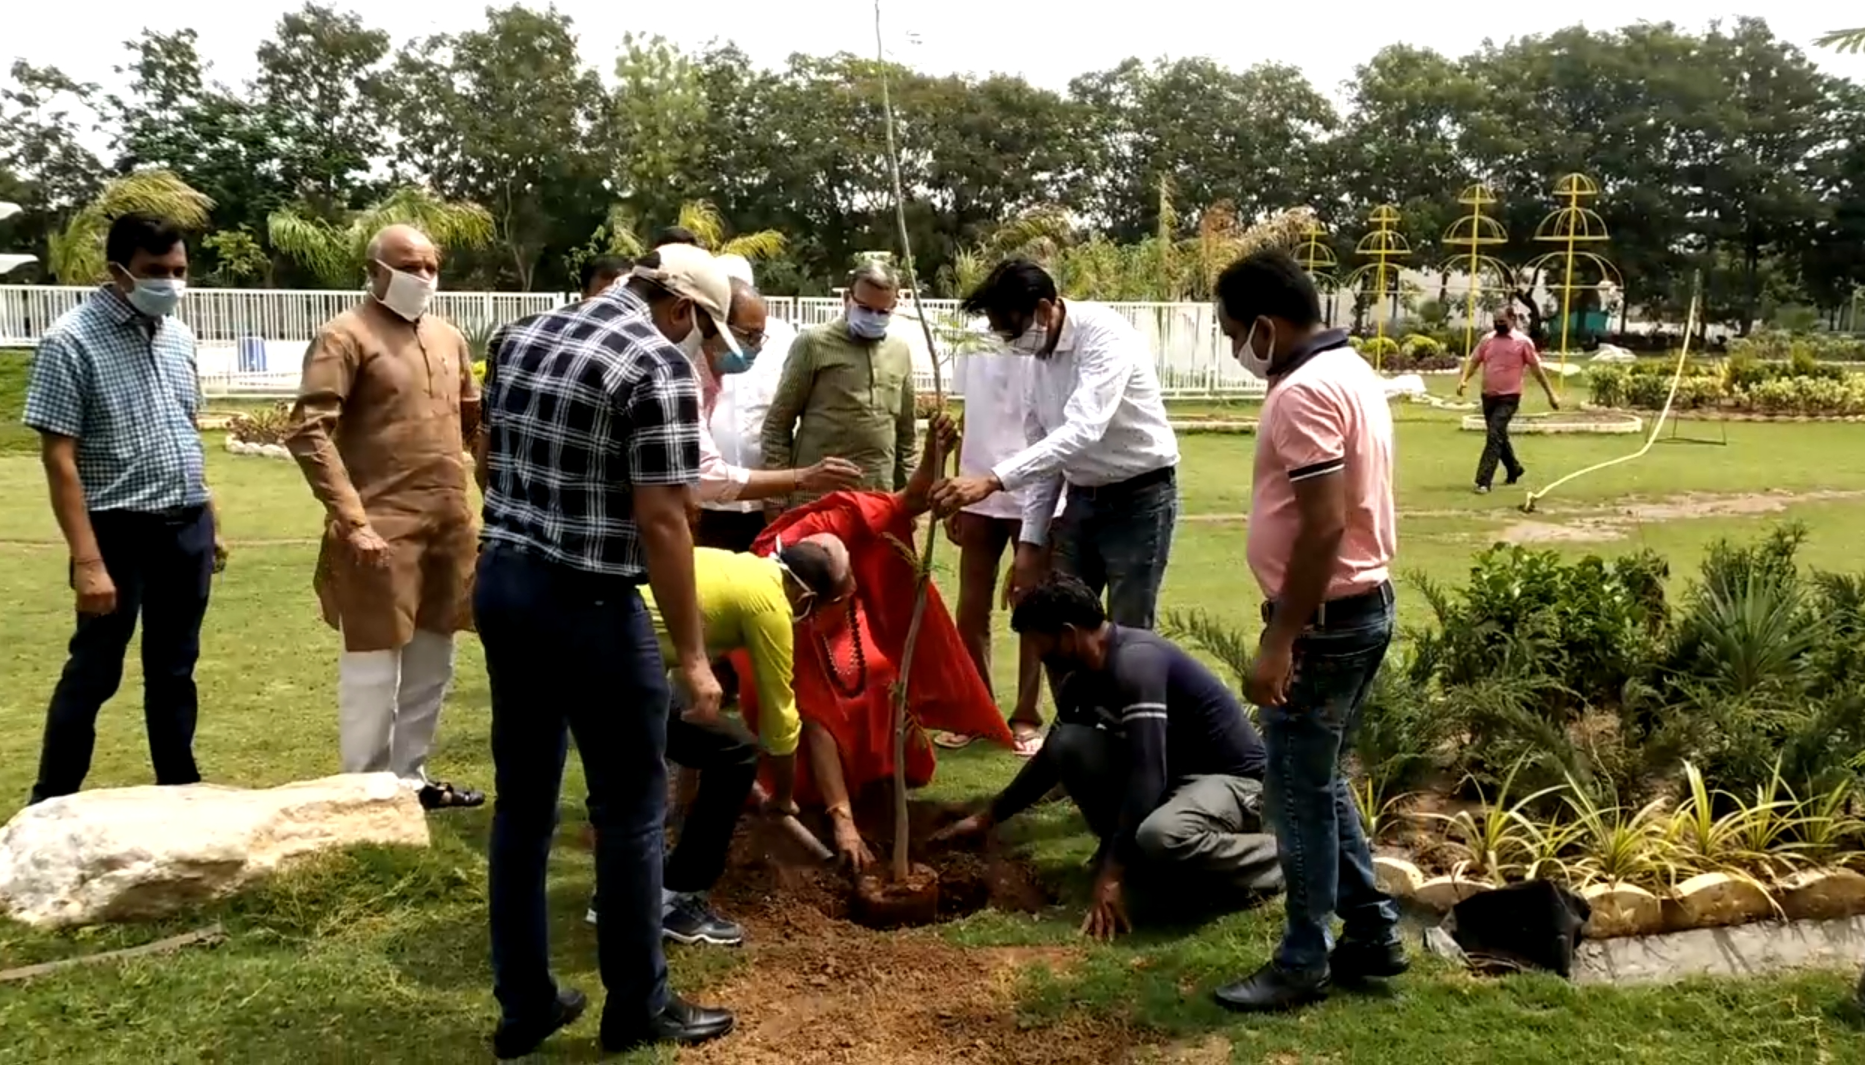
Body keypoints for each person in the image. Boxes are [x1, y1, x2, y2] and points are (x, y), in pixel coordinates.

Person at [474, 243, 735, 1056]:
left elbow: (489, 459)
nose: (701, 346)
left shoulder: (519, 335)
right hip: (589, 600)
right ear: (681, 308)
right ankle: (637, 1005)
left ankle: (525, 1004)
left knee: (522, 806)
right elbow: (664, 518)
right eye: (704, 330)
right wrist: (692, 656)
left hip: (506, 583)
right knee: (629, 810)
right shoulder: (655, 365)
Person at [1209, 250, 1402, 1012]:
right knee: (1315, 785)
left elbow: (1324, 527)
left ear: (1266, 323)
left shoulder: (1303, 392)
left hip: (1324, 625)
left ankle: (1301, 957)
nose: (1234, 350)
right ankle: (1372, 933)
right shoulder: (1349, 369)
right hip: (1359, 609)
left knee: (1292, 797)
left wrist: (1279, 639)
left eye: (1234, 333)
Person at [734, 414, 1015, 868]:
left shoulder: (840, 520)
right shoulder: (777, 593)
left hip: (833, 618)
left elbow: (909, 501)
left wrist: (933, 454)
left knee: (880, 673)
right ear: (811, 600)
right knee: (812, 708)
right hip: (777, 629)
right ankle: (815, 795)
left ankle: (878, 778)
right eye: (844, 595)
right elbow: (816, 716)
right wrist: (841, 820)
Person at [936, 574, 1281, 939]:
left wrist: (1112, 874)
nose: (1037, 655)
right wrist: (987, 817)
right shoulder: (1083, 679)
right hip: (1175, 782)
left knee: (1163, 836)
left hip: (1233, 782)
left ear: (1068, 634)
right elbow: (1052, 758)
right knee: (1069, 743)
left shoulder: (1136, 665)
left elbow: (1149, 775)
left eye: (1039, 642)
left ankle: (1289, 859)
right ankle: (1140, 862)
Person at [21, 212, 225, 804]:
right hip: (116, 533)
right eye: (154, 271)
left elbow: (184, 430)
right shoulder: (71, 341)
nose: (170, 282)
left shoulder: (179, 337)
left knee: (174, 669)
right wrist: (88, 563)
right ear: (117, 271)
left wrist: (212, 518)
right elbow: (60, 459)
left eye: (179, 270)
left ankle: (179, 787)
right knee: (94, 671)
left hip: (185, 524)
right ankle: (51, 800)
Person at [284, 224, 483, 810]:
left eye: (429, 265)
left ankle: (411, 779)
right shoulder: (343, 337)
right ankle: (363, 791)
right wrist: (353, 519)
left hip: (448, 526)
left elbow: (474, 423)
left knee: (433, 660)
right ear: (374, 271)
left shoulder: (450, 338)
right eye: (407, 266)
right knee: (372, 664)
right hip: (378, 527)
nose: (422, 276)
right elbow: (308, 431)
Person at [586, 541, 843, 947]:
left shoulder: (739, 565)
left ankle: (625, 894)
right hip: (618, 667)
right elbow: (781, 718)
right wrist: (784, 796)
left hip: (599, 647)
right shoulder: (772, 604)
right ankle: (671, 897)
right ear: (807, 596)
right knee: (728, 757)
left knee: (680, 764)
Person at [929, 259, 1180, 631]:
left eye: (1011, 331)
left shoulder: (1104, 335)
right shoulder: (1036, 361)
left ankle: (1136, 692)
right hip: (1080, 499)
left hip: (1139, 500)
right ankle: (1076, 693)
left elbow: (1082, 431)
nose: (1010, 344)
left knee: (1128, 631)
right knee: (1062, 624)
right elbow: (1048, 456)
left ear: (1044, 309)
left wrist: (992, 480)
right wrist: (1029, 546)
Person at [934, 338, 1049, 756]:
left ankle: (1025, 717)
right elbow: (971, 417)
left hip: (1033, 494)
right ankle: (977, 711)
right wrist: (955, 486)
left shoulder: (1042, 345)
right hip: (976, 493)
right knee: (971, 607)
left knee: (1030, 605)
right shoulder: (976, 341)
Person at [684, 274, 861, 522]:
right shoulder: (682, 378)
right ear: (714, 325)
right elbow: (706, 474)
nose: (757, 347)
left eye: (760, 337)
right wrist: (800, 478)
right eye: (750, 336)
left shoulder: (711, 379)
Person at [761, 260, 916, 511]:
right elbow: (777, 426)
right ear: (847, 298)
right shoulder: (813, 344)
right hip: (816, 501)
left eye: (883, 312)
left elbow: (906, 436)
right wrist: (777, 496)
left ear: (894, 306)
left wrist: (908, 500)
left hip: (877, 500)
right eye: (865, 308)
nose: (874, 317)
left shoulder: (900, 351)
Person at [698, 255, 803, 552]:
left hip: (765, 497)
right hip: (709, 502)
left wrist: (782, 488)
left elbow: (788, 413)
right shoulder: (697, 348)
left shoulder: (781, 337)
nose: (754, 344)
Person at [1455, 308, 1559, 493]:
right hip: (1488, 396)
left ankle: (1483, 481)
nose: (1498, 324)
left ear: (1513, 319)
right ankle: (1514, 469)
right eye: (1496, 321)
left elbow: (1537, 370)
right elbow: (1474, 361)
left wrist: (1551, 395)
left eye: (1502, 321)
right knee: (1499, 435)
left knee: (1494, 435)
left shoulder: (1523, 342)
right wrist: (1463, 380)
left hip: (1509, 397)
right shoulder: (1487, 340)